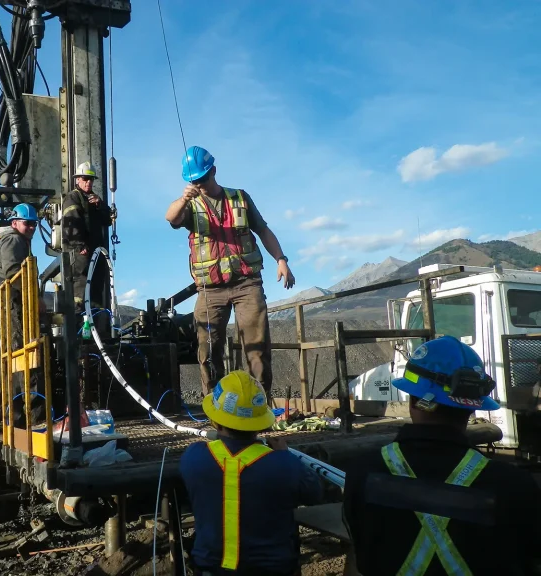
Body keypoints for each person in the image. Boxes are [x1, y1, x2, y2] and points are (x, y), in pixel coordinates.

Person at [342, 336, 541, 576]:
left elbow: (360, 552)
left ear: (413, 400)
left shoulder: (363, 472)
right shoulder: (513, 485)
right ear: (472, 406)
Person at [165, 146, 295, 400]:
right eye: (194, 181)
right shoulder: (189, 205)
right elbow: (171, 217)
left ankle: (258, 404)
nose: (199, 185)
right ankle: (215, 406)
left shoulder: (240, 198)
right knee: (208, 349)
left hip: (247, 284)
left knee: (257, 347)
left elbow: (263, 230)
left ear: (213, 171)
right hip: (210, 289)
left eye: (202, 178)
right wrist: (183, 198)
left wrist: (281, 260)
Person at [179, 370, 323, 576]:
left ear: (215, 419)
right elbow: (315, 493)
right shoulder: (284, 464)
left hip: (210, 570)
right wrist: (284, 454)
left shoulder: (194, 457)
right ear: (260, 421)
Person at [0, 203, 45, 424]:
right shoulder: (12, 240)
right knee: (23, 358)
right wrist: (35, 298)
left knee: (17, 359)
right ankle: (26, 417)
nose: (31, 227)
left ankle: (18, 415)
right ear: (14, 223)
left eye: (34, 224)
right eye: (27, 223)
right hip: (13, 308)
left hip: (13, 307)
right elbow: (13, 271)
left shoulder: (19, 241)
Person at [62, 161, 113, 312]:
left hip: (96, 253)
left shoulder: (94, 200)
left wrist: (100, 205)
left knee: (95, 291)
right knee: (80, 288)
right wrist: (79, 245)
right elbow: (71, 222)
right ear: (78, 179)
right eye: (85, 179)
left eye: (91, 179)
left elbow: (107, 220)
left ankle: (94, 320)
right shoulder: (73, 198)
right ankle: (78, 320)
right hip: (81, 254)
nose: (88, 182)